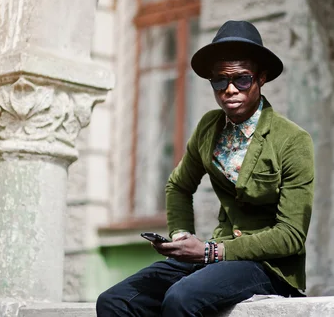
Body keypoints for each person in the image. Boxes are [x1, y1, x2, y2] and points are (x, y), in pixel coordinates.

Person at [96, 20, 315, 316]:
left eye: (242, 79)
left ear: (261, 78)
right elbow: (178, 185)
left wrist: (212, 251)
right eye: (220, 81)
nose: (230, 90)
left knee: (182, 298)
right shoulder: (209, 128)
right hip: (214, 259)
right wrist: (181, 237)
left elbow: (291, 235)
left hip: (268, 267)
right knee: (114, 302)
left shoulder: (292, 140)